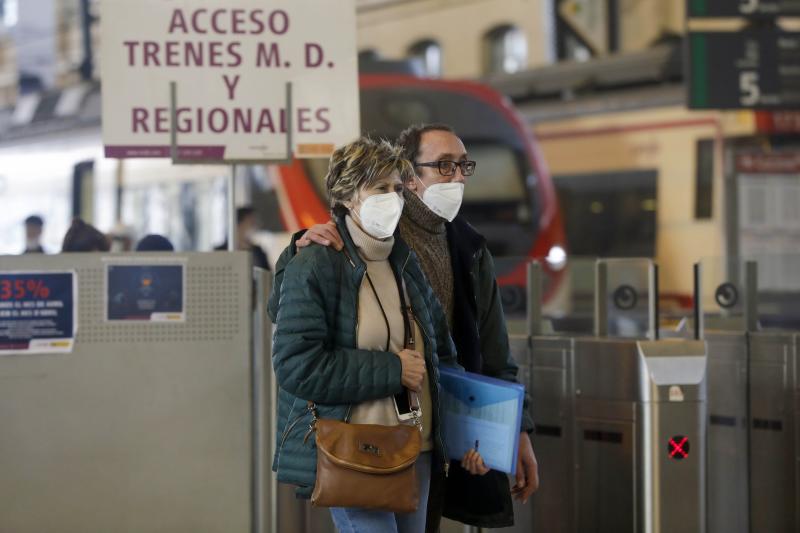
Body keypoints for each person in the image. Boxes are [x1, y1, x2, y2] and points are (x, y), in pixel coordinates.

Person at [295, 124, 540, 530]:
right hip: (365, 432)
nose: (458, 177)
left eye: (464, 166)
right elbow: (302, 335)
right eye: (444, 166)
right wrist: (296, 248)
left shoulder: (470, 248)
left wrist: (514, 431)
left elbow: (492, 351)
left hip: (430, 433)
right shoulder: (367, 241)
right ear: (412, 175)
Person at [267, 137, 487, 533]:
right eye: (380, 188)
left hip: (414, 448)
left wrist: (471, 435)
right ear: (349, 195)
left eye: (398, 189)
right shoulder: (316, 263)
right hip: (357, 451)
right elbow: (297, 366)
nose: (393, 198)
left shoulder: (404, 263)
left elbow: (441, 357)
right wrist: (392, 370)